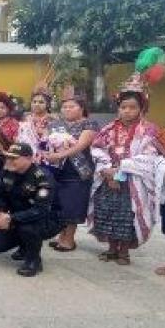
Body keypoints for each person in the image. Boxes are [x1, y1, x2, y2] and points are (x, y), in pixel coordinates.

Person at [87, 75, 163, 266]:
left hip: (132, 182)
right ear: (118, 108)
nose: (127, 111)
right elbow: (96, 149)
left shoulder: (149, 131)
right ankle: (111, 249)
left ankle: (124, 252)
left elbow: (149, 156)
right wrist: (106, 169)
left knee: (127, 216)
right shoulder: (108, 129)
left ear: (141, 109)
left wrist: (120, 169)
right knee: (106, 213)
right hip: (107, 180)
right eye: (123, 107)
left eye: (132, 107)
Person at [0, 143, 58, 277]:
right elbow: (0, 195)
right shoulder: (7, 171)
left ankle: (33, 260)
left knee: (28, 228)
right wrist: (0, 212)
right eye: (8, 158)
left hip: (45, 219)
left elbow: (41, 210)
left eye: (14, 158)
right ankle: (24, 247)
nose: (9, 161)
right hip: (17, 215)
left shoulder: (42, 177)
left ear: (29, 158)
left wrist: (11, 218)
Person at [42, 85, 98, 252]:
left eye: (72, 106)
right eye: (65, 106)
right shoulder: (55, 124)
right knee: (59, 204)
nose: (67, 109)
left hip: (78, 171)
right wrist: (48, 153)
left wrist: (59, 155)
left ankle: (70, 239)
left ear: (81, 108)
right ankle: (62, 236)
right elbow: (46, 142)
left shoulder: (89, 123)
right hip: (58, 170)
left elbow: (81, 145)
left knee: (73, 205)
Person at [18, 83, 56, 163]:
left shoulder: (53, 119)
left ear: (48, 104)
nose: (36, 104)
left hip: (49, 157)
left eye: (41, 102)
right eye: (34, 102)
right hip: (28, 158)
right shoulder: (26, 118)